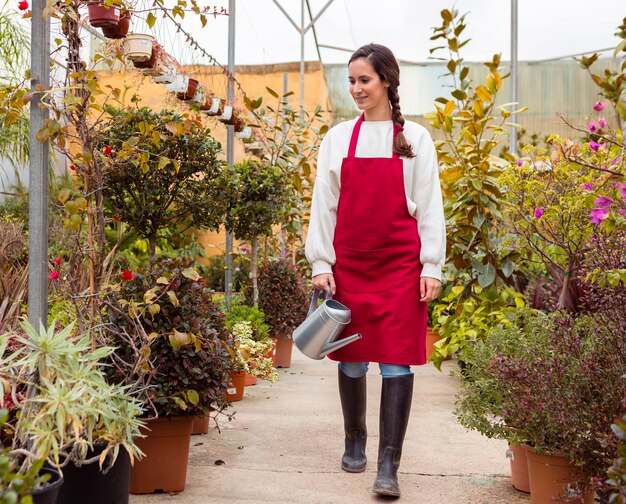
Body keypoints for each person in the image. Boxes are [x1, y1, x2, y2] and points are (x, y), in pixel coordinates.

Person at [304, 43, 446, 498]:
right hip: (350, 264)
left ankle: (389, 464)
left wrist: (432, 266)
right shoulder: (337, 138)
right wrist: (321, 261)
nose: (356, 89)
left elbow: (429, 207)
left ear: (386, 80)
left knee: (397, 359)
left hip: (401, 266)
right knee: (350, 357)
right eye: (351, 81)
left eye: (364, 80)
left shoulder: (415, 139)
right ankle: (354, 439)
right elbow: (323, 205)